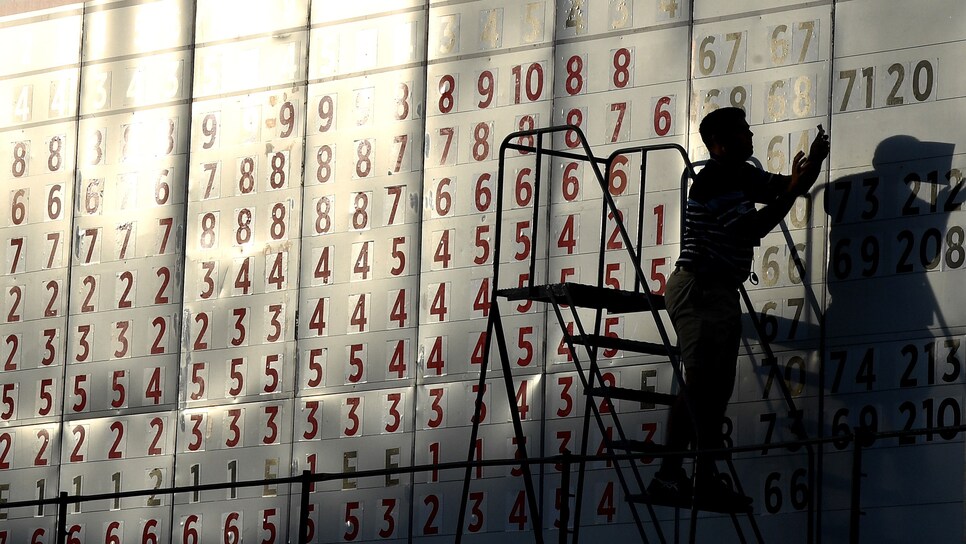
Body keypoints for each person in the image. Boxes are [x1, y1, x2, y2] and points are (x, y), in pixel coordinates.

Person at [647, 107, 830, 508]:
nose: (752, 134)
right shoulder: (713, 181)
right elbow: (753, 228)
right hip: (699, 289)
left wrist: (813, 163)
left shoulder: (741, 175)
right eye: (744, 131)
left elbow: (789, 186)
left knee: (716, 392)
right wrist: (793, 188)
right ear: (722, 144)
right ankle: (668, 474)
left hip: (718, 292)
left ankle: (704, 476)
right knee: (698, 385)